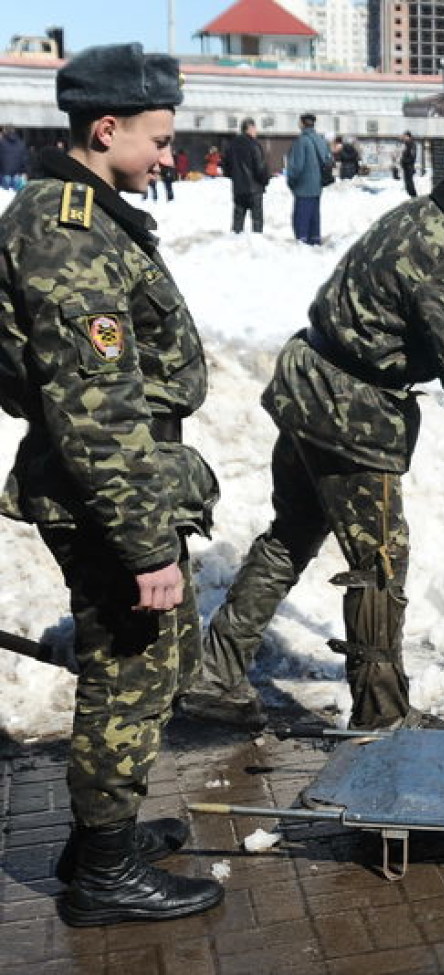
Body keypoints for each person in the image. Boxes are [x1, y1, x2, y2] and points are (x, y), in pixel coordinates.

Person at [180, 126, 444, 731]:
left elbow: (416, 309)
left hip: (310, 386)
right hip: (349, 414)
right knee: (379, 566)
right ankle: (381, 716)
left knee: (292, 532)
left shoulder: (423, 218)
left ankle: (216, 670)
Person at [0, 43, 223, 926]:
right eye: (159, 138)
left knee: (159, 663)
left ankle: (107, 833)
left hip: (125, 477)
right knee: (126, 677)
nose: (170, 155)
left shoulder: (85, 210)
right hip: (106, 493)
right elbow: (94, 408)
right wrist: (144, 545)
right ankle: (101, 875)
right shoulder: (67, 232)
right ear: (106, 128)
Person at [285, 112, 332, 245]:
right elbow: (329, 160)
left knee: (302, 221)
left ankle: (303, 246)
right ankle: (315, 242)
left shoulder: (301, 142)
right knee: (314, 219)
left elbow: (296, 166)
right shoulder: (321, 140)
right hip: (317, 187)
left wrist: (291, 181)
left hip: (303, 188)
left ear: (302, 123)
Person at [225, 117, 270, 233]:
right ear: (250, 128)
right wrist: (265, 180)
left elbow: (227, 167)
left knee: (238, 221)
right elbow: (260, 167)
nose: (256, 131)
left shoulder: (232, 145)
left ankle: (236, 244)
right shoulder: (254, 145)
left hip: (238, 188)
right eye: (255, 128)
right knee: (257, 221)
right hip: (254, 189)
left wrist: (235, 177)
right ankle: (256, 244)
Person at [0, 126, 30, 190]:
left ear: (4, 131)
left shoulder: (1, 143)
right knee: (17, 196)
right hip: (17, 175)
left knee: (5, 197)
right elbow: (25, 160)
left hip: (4, 175)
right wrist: (25, 172)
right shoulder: (21, 143)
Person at [399, 130, 418, 198]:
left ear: (409, 137)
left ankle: (414, 196)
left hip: (409, 166)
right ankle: (411, 195)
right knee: (407, 182)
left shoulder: (412, 144)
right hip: (406, 167)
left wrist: (405, 161)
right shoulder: (406, 144)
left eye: (405, 136)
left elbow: (412, 156)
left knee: (409, 182)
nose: (404, 138)